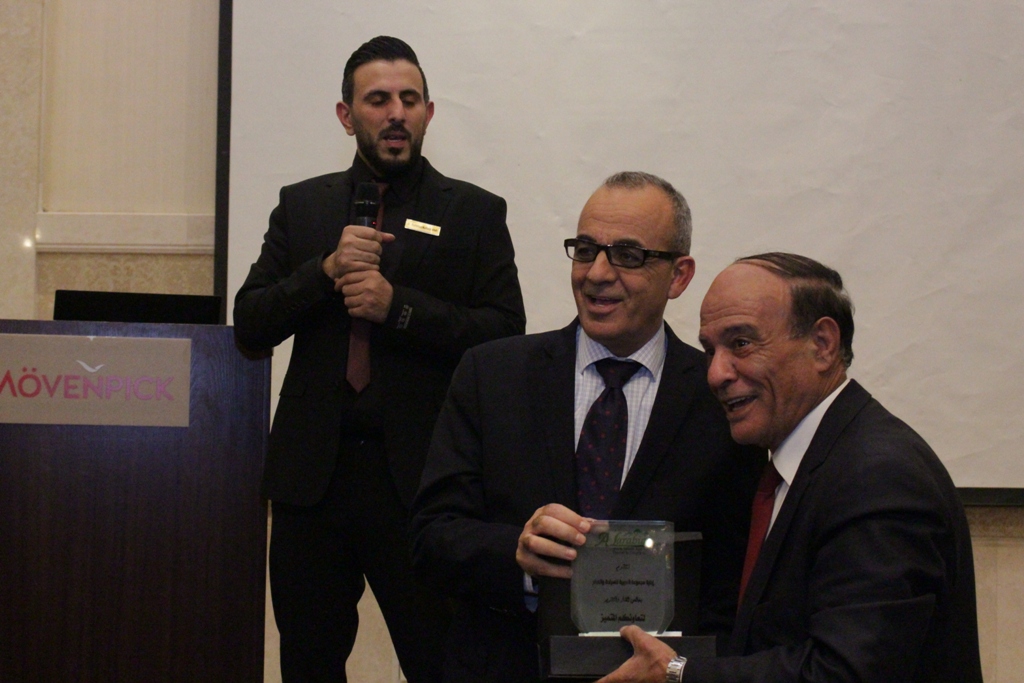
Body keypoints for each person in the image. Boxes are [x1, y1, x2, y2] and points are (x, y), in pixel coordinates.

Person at [233, 36, 525, 683]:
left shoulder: (473, 211)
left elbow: (504, 331)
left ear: (428, 112)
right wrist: (325, 271)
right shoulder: (303, 205)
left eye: (409, 99)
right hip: (313, 480)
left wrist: (399, 307)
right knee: (308, 664)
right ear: (347, 115)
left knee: (440, 661)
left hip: (422, 483)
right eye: (378, 99)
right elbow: (250, 323)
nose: (396, 113)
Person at [410, 172, 764, 683]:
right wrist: (518, 557)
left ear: (679, 276)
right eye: (585, 250)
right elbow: (431, 538)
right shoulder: (491, 375)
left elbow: (735, 579)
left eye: (627, 255)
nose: (597, 273)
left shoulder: (721, 397)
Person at [596, 253, 982, 683]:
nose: (716, 374)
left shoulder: (879, 477)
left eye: (741, 344)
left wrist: (676, 674)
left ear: (822, 345)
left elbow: (845, 672)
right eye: (710, 350)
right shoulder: (806, 465)